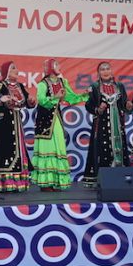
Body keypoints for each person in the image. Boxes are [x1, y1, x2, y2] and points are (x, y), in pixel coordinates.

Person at [32, 58, 89, 191]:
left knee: (59, 147)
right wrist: (56, 97)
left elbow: (71, 98)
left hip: (56, 119)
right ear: (50, 67)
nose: (59, 67)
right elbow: (41, 101)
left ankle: (57, 181)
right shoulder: (43, 84)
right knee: (47, 148)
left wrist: (84, 95)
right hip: (45, 121)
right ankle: (46, 183)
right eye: (56, 64)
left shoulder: (63, 82)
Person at [0, 61, 35, 193]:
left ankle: (18, 182)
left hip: (16, 122)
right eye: (13, 68)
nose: (16, 70)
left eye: (16, 68)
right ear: (6, 71)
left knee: (18, 149)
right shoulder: (0, 85)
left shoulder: (20, 86)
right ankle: (5, 183)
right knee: (5, 150)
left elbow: (27, 101)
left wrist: (31, 101)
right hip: (3, 124)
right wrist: (2, 99)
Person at [82, 61, 132, 188]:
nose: (105, 71)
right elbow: (88, 105)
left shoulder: (119, 86)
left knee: (120, 148)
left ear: (111, 71)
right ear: (98, 73)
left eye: (107, 68)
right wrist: (98, 109)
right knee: (103, 149)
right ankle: (103, 180)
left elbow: (124, 104)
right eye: (102, 69)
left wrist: (128, 106)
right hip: (102, 124)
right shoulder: (94, 87)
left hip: (117, 124)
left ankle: (121, 178)